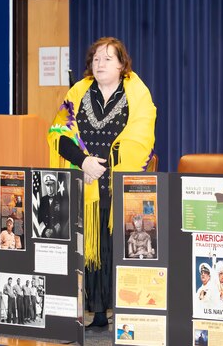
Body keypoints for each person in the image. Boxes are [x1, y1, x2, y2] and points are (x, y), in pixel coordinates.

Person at [48, 37, 156, 329]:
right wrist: (83, 162)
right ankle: (93, 312)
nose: (100, 64)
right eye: (96, 59)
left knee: (113, 248)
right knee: (87, 248)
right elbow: (59, 132)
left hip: (117, 184)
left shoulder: (137, 93)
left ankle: (121, 311)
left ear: (122, 64)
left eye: (108, 58)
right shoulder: (78, 92)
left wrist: (104, 167)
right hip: (83, 183)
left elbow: (141, 136)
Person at [38, 174, 69, 239]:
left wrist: (54, 229)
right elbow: (39, 216)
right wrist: (44, 230)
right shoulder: (42, 200)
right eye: (47, 185)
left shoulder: (60, 199)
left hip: (57, 233)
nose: (50, 188)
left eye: (51, 185)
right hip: (45, 232)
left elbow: (65, 216)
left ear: (54, 185)